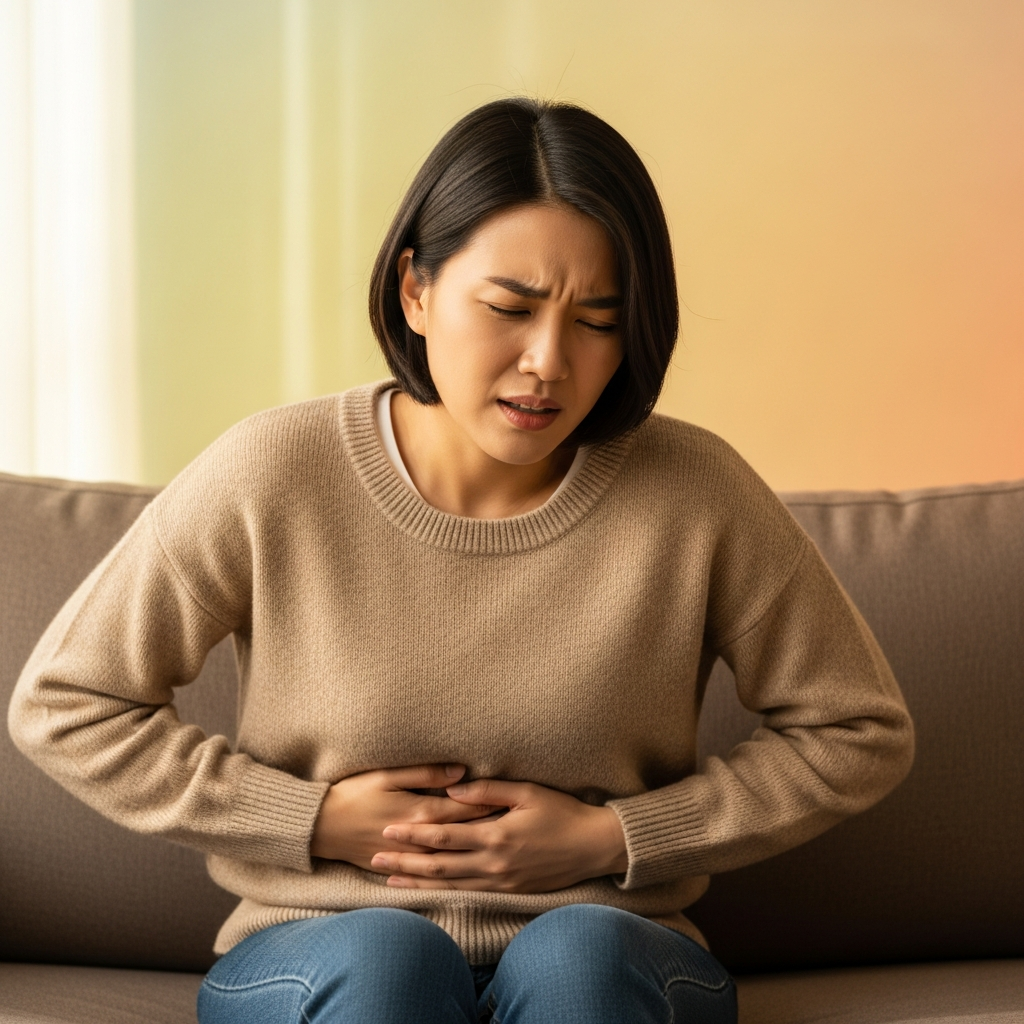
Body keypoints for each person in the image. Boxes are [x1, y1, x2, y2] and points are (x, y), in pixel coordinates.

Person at [8, 98, 914, 1023]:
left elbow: (857, 730)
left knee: (580, 964)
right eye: (509, 309)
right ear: (416, 290)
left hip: (612, 951)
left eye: (598, 320)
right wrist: (308, 819)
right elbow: (66, 703)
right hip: (321, 954)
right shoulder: (274, 470)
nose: (549, 361)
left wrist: (616, 837)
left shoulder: (696, 492)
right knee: (388, 965)